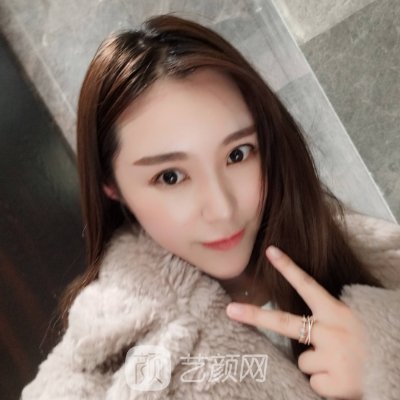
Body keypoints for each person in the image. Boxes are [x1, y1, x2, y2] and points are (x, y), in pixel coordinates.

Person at [21, 13, 400, 400]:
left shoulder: (380, 260)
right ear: (112, 187)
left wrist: (386, 368)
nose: (221, 208)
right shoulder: (92, 383)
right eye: (171, 177)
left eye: (237, 154)